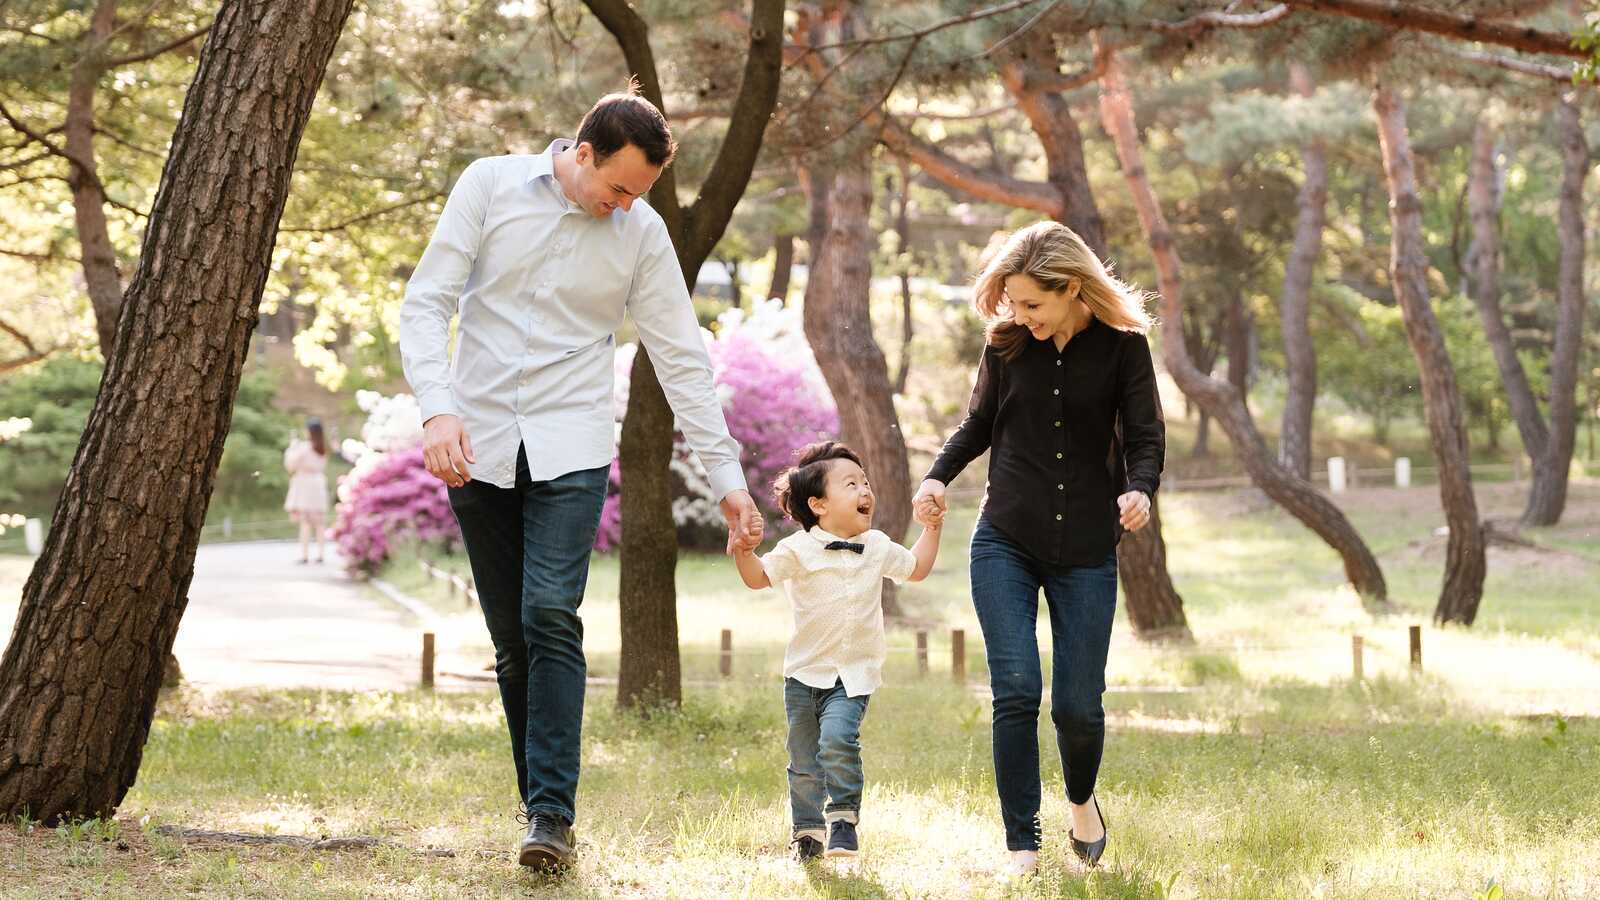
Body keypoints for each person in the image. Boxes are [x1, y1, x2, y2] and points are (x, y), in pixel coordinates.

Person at [398, 87, 763, 871]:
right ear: (582, 153)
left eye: (640, 194)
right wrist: (436, 410)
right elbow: (426, 303)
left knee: (549, 614)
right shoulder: (488, 185)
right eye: (619, 187)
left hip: (571, 443)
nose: (625, 205)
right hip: (478, 439)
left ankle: (553, 817)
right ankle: (540, 807)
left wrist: (726, 474)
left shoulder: (641, 232)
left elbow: (680, 355)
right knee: (510, 640)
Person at [912, 221, 1163, 877]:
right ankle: (1022, 844)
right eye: (1013, 303)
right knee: (1017, 690)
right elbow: (978, 424)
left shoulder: (1124, 350)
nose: (1019, 316)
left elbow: (1145, 436)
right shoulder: (1006, 345)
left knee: (1078, 707)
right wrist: (937, 475)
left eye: (1032, 305)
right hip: (1006, 541)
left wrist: (1141, 489)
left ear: (1072, 289)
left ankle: (1081, 798)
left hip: (1086, 548)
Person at [732, 441, 944, 863]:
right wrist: (743, 550)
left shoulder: (878, 545)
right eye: (851, 484)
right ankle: (807, 833)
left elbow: (916, 569)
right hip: (803, 675)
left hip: (854, 674)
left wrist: (932, 529)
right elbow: (758, 578)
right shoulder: (798, 549)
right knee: (804, 760)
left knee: (838, 740)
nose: (865, 490)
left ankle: (843, 818)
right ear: (819, 504)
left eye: (865, 482)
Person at [282, 417, 329, 564]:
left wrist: (292, 447)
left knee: (306, 522)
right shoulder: (323, 447)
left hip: (305, 485)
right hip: (318, 483)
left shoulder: (304, 447)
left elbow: (291, 464)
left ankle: (305, 555)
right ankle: (321, 554)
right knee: (320, 522)